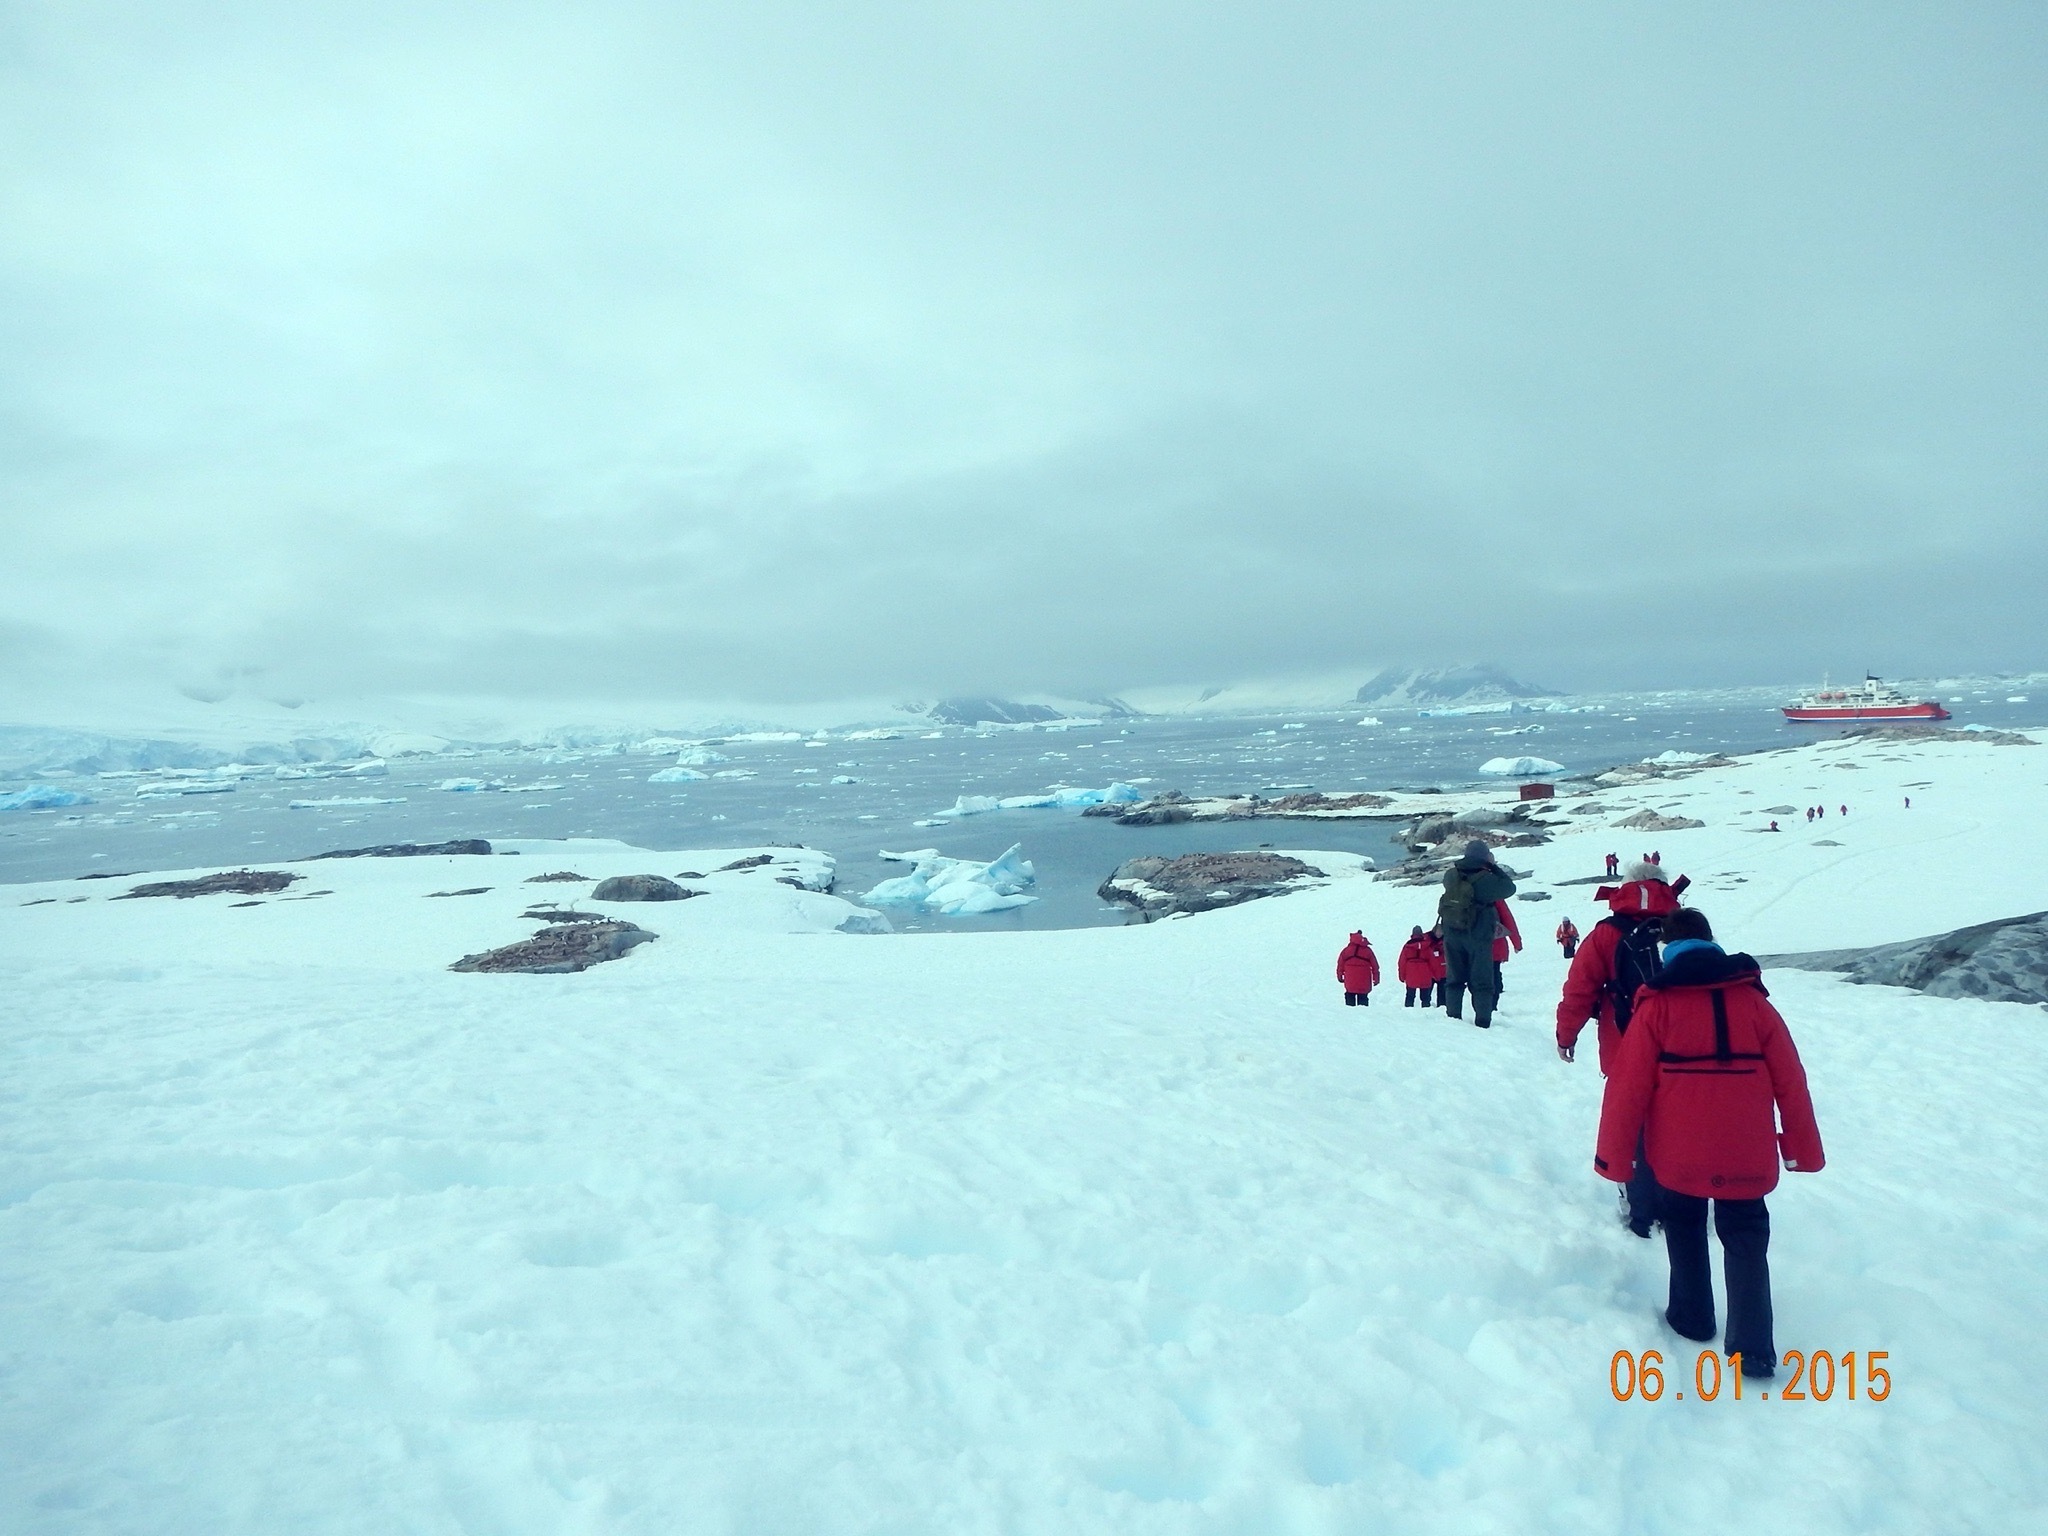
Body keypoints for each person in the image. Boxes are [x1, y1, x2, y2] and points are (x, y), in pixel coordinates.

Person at [1595, 908, 1825, 1378]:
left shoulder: (1656, 1006)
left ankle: (1692, 1318)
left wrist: (1616, 1161)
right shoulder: (1755, 1005)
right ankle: (1753, 1347)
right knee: (1745, 1236)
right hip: (1748, 1150)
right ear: (1712, 943)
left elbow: (1626, 1091)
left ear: (1668, 952)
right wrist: (1801, 1149)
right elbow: (1792, 1083)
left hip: (1677, 1155)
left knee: (1682, 1222)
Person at [1556, 861, 1682, 1236]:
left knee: (1636, 1125)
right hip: (1684, 1046)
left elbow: (1579, 990)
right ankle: (1682, 1202)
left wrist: (1566, 1036)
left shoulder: (1605, 935)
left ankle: (1641, 1210)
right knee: (1679, 1120)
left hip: (1624, 1045)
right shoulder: (1682, 926)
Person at [1437, 841, 1516, 1028]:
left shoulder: (1451, 875)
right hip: (1478, 936)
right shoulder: (1486, 880)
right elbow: (1509, 888)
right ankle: (1482, 1022)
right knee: (1481, 981)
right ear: (1484, 857)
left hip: (1452, 933)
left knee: (1454, 979)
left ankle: (1453, 1018)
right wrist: (1493, 866)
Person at [1336, 929, 1380, 1006]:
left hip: (1350, 982)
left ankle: (1349, 1015)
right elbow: (1375, 966)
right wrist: (1376, 978)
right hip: (1364, 982)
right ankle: (1363, 1015)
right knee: (1363, 1005)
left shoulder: (1346, 951)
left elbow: (1340, 964)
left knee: (1349, 1004)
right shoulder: (1368, 951)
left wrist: (1340, 975)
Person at [1397, 925, 1436, 1007]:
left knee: (1410, 996)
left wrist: (1402, 976)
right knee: (1425, 998)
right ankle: (1427, 1013)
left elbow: (1402, 962)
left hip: (1411, 975)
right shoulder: (1427, 947)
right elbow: (1433, 962)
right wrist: (1436, 975)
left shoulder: (1407, 947)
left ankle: (1408, 1012)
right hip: (1425, 975)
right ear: (1421, 934)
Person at [1492, 898, 1523, 995]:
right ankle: (1493, 1007)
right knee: (1494, 973)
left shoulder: (1462, 892)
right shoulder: (1495, 896)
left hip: (1469, 947)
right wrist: (1517, 943)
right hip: (1494, 945)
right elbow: (1507, 919)